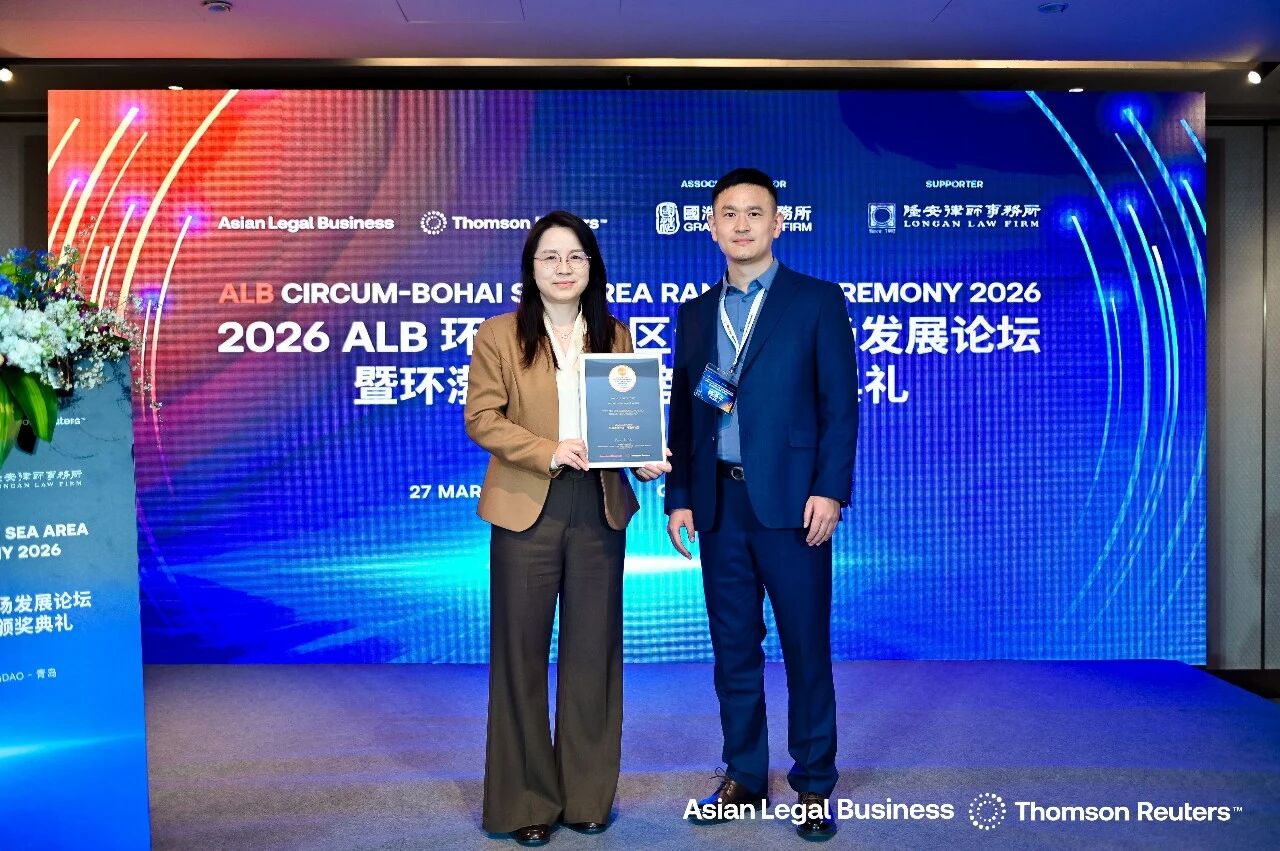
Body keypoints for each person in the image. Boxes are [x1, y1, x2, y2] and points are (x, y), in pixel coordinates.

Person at [664, 169, 859, 841]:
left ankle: (814, 783)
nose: (741, 224)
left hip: (795, 506)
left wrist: (830, 489)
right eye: (729, 213)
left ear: (778, 224)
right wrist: (680, 497)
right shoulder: (696, 313)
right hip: (720, 504)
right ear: (712, 227)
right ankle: (745, 775)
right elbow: (685, 412)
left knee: (806, 647)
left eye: (755, 212)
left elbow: (840, 407)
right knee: (732, 649)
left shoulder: (816, 301)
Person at [465, 210, 670, 847]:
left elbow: (626, 421)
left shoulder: (615, 334)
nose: (563, 267)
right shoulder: (499, 334)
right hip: (527, 504)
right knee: (520, 655)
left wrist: (642, 457)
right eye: (550, 256)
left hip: (598, 508)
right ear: (531, 268)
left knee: (593, 655)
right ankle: (526, 800)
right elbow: (483, 417)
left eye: (575, 256)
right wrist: (547, 450)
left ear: (591, 267)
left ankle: (586, 797)